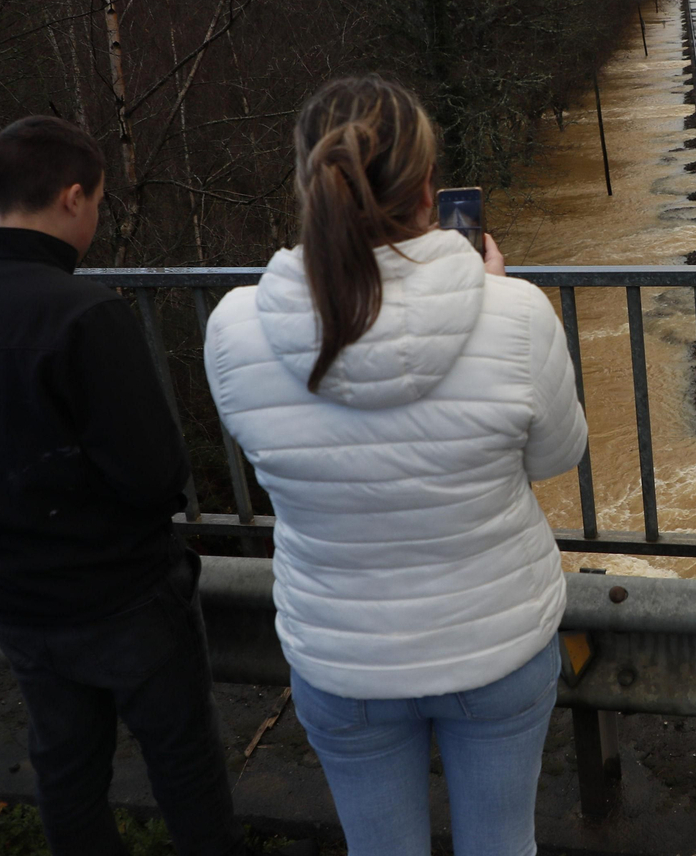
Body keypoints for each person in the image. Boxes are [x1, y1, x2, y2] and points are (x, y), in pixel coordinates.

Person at [202, 75, 588, 856]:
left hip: (341, 659)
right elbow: (559, 455)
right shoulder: (514, 315)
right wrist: (494, 295)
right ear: (427, 188)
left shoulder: (234, 328)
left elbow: (279, 455)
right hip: (499, 646)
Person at [0, 116, 243, 856]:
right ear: (74, 197)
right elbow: (156, 476)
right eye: (99, 202)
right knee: (185, 771)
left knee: (67, 775)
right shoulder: (87, 314)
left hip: (18, 602)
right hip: (125, 600)